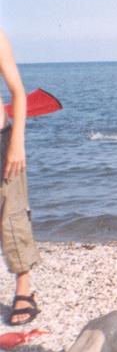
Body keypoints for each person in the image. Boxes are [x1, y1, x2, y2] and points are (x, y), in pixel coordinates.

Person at [0, 31, 42, 326]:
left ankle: (24, 289)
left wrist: (17, 142)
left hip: (2, 142)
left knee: (12, 217)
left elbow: (17, 91)